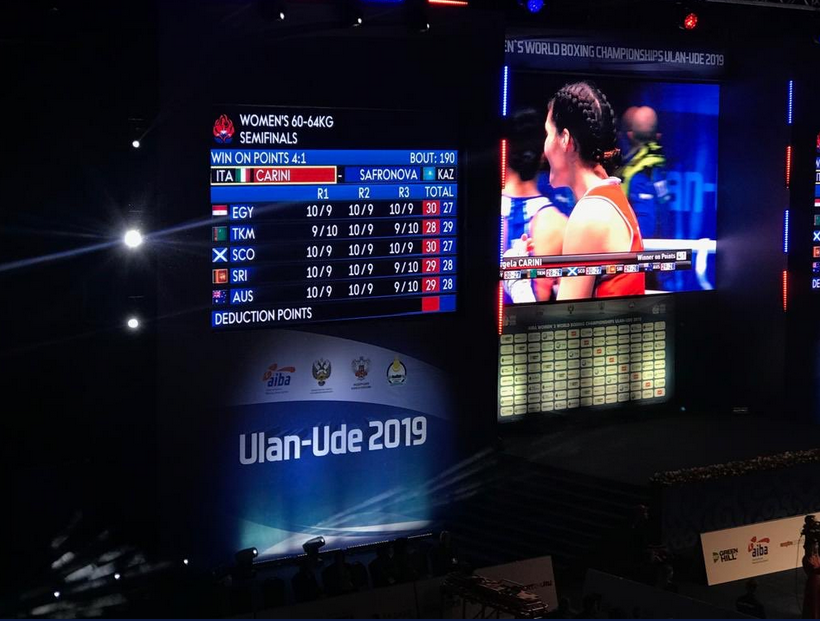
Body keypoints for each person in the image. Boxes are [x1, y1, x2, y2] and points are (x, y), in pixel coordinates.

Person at [542, 81, 645, 301]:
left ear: (565, 140)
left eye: (548, 133)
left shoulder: (590, 214)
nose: (545, 146)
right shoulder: (611, 195)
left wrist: (520, 283)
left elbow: (565, 327)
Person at [502, 108, 568, 303]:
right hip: (532, 330)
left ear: (505, 151)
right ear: (543, 156)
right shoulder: (560, 225)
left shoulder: (479, 216)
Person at [616, 106, 671, 239]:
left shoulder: (640, 174)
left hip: (644, 255)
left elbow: (645, 230)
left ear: (630, 135)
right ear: (657, 135)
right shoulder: (658, 165)